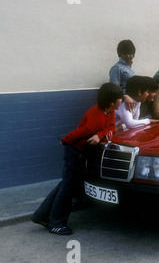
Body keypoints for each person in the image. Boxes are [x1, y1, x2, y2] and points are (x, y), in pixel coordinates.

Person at [31, 83, 124, 235]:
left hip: (82, 153)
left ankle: (40, 215)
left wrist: (98, 135)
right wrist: (64, 141)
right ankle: (56, 223)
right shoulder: (96, 117)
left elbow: (111, 128)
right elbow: (79, 133)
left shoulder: (110, 112)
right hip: (74, 152)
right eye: (120, 98)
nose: (122, 100)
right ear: (112, 102)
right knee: (68, 188)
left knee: (65, 184)